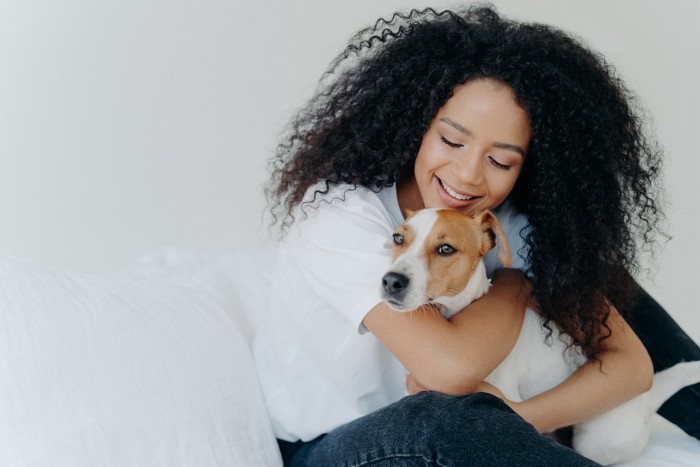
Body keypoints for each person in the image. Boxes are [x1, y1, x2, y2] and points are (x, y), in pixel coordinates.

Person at [253, 5, 700, 466]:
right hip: (329, 445)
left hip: (474, 420)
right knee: (445, 414)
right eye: (451, 141)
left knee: (581, 265)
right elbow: (454, 371)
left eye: (501, 161)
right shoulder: (338, 215)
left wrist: (520, 418)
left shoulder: (507, 223)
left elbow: (631, 364)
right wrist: (517, 282)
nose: (467, 176)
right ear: (416, 124)